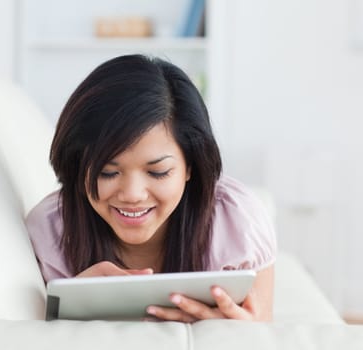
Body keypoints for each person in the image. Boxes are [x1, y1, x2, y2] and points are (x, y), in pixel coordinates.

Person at [26, 54, 277, 322]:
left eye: (158, 172)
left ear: (190, 166)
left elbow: (263, 328)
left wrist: (237, 336)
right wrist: (72, 309)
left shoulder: (238, 223)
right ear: (79, 166)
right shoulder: (52, 231)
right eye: (107, 172)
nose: (133, 194)